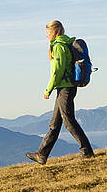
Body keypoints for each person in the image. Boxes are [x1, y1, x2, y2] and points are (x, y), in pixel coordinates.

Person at [26, 19, 94, 164]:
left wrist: (48, 90)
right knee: (55, 123)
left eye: (47, 33)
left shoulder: (59, 46)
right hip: (66, 87)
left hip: (65, 88)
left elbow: (57, 71)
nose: (46, 36)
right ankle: (41, 154)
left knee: (69, 121)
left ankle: (87, 151)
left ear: (54, 32)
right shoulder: (65, 43)